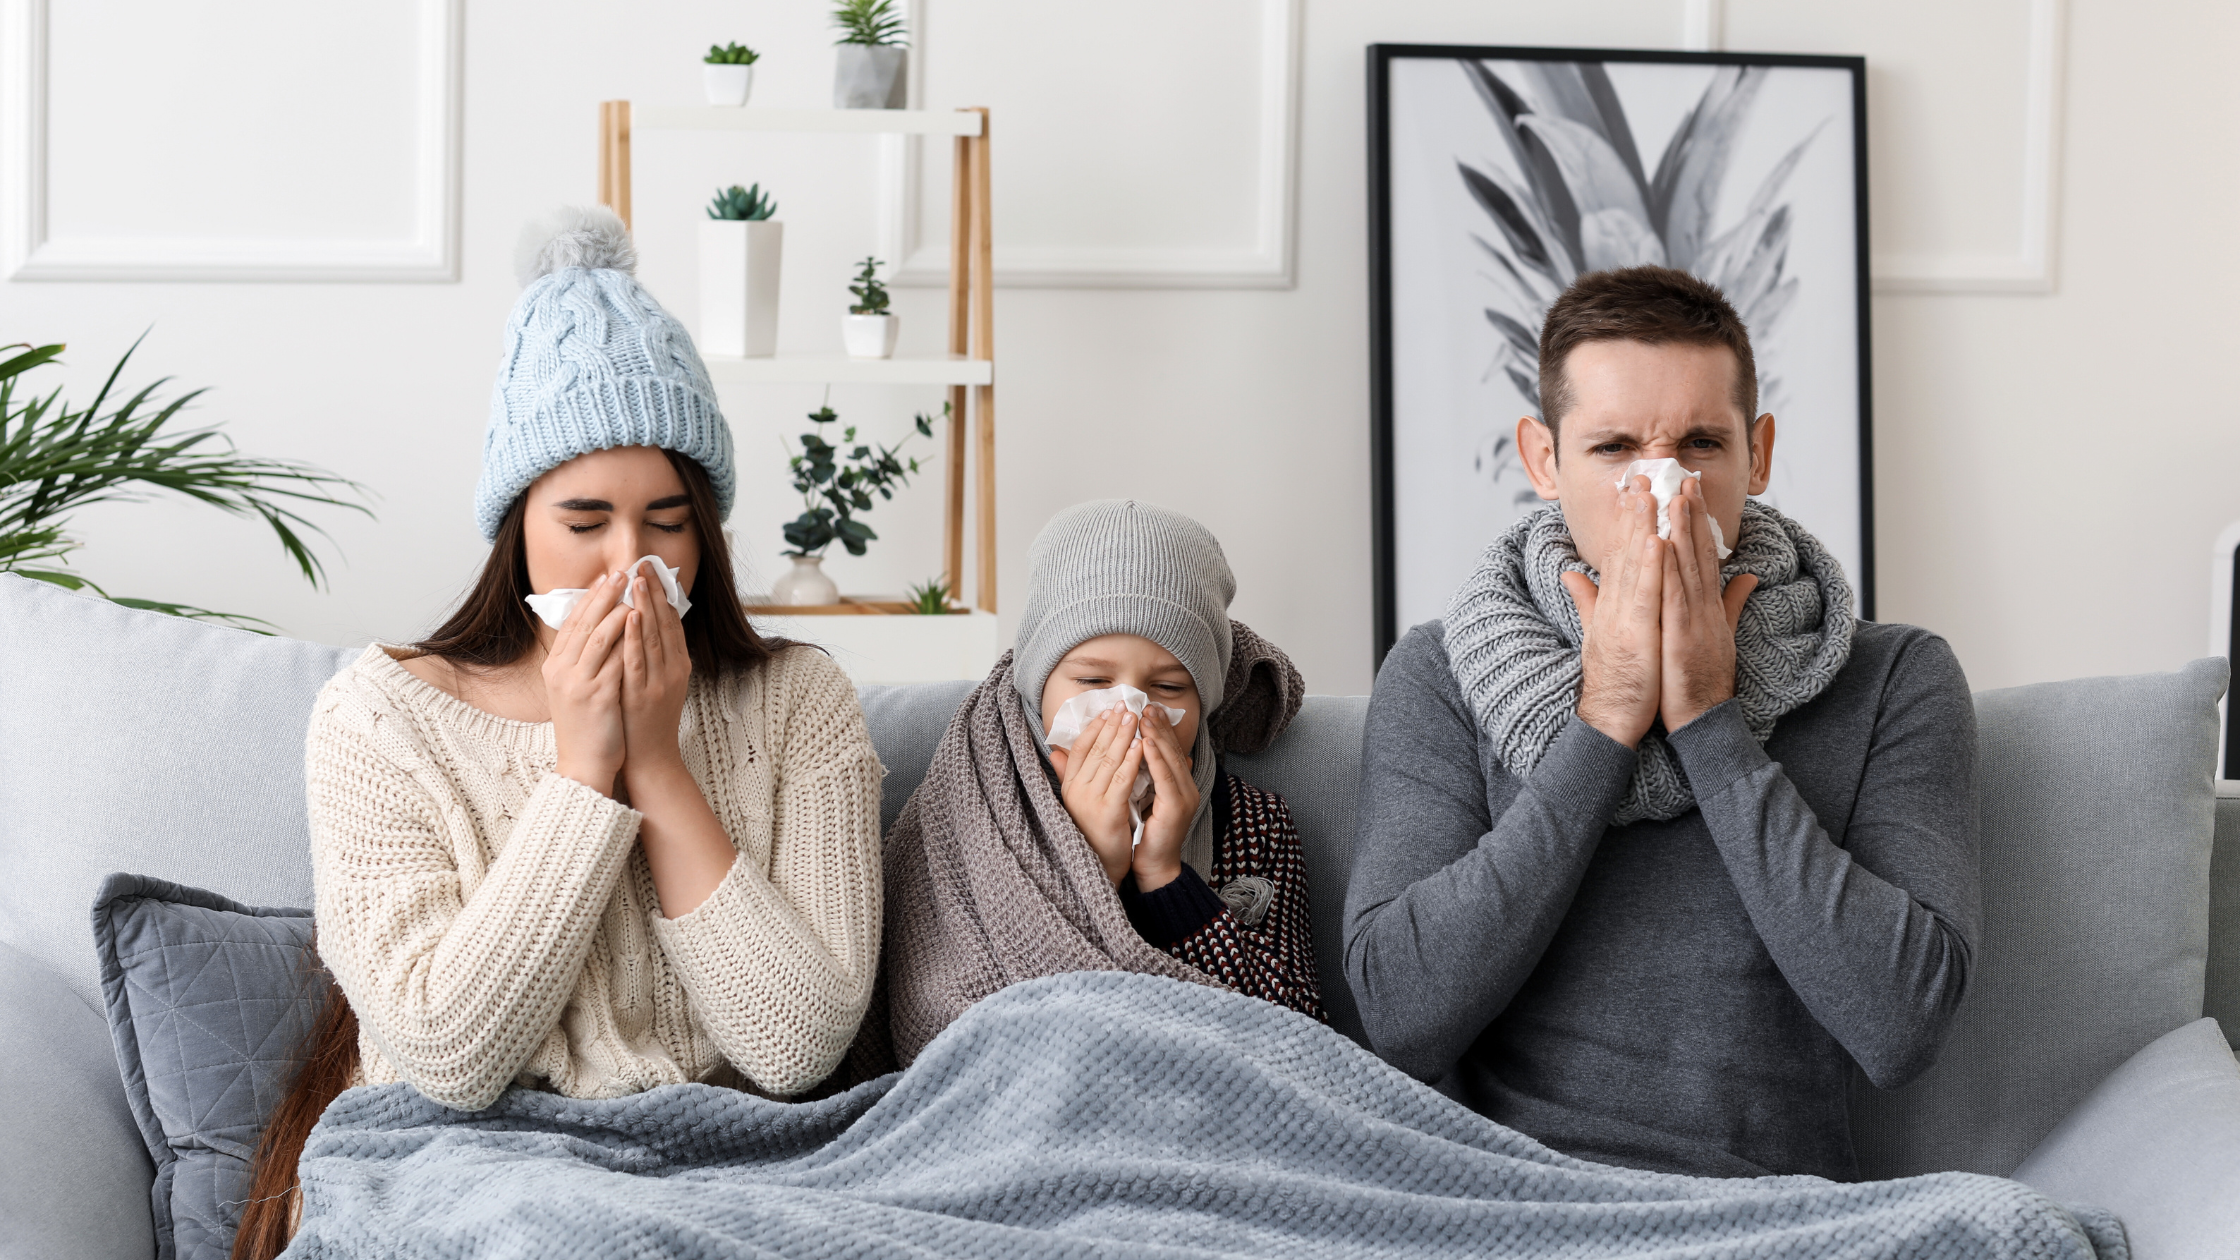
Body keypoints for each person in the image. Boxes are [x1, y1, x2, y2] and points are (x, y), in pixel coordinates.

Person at [234, 208, 884, 1258]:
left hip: (734, 1166)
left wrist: (658, 763)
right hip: (465, 1170)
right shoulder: (380, 719)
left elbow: (799, 1043)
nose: (629, 563)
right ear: (518, 529)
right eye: (584, 523)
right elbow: (448, 1052)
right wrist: (584, 773)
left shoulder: (799, 703)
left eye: (667, 521)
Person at [1344, 265, 1979, 1182]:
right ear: (1542, 459)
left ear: (1757, 454)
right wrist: (1603, 720)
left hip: (1774, 1217)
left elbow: (1904, 1025)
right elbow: (1399, 1015)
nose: (1661, 491)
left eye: (1698, 446)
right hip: (1504, 1209)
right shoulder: (1441, 674)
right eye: (1614, 450)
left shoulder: (1895, 677)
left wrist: (1711, 720)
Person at [871, 500, 1322, 1069]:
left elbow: (1301, 1041)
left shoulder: (1256, 825)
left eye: (1167, 687)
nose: (1129, 712)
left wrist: (1164, 877)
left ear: (1205, 701)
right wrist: (1094, 869)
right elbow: (942, 1030)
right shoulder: (971, 807)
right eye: (1091, 679)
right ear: (1036, 682)